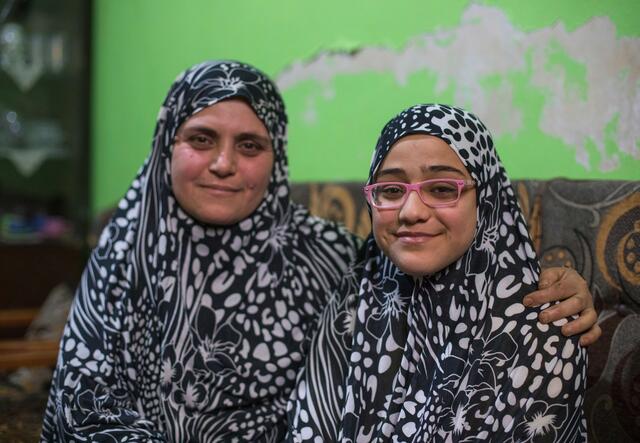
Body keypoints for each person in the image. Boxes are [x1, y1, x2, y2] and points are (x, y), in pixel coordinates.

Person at [41, 62, 594, 442]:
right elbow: (84, 403)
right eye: (201, 139)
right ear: (167, 146)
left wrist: (563, 284)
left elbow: (421, 256)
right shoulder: (123, 252)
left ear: (276, 159)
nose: (223, 164)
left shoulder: (326, 257)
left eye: (250, 145)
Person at [287, 104, 587, 442]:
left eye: (442, 189)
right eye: (391, 190)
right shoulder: (353, 302)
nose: (411, 211)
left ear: (485, 200)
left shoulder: (540, 331)